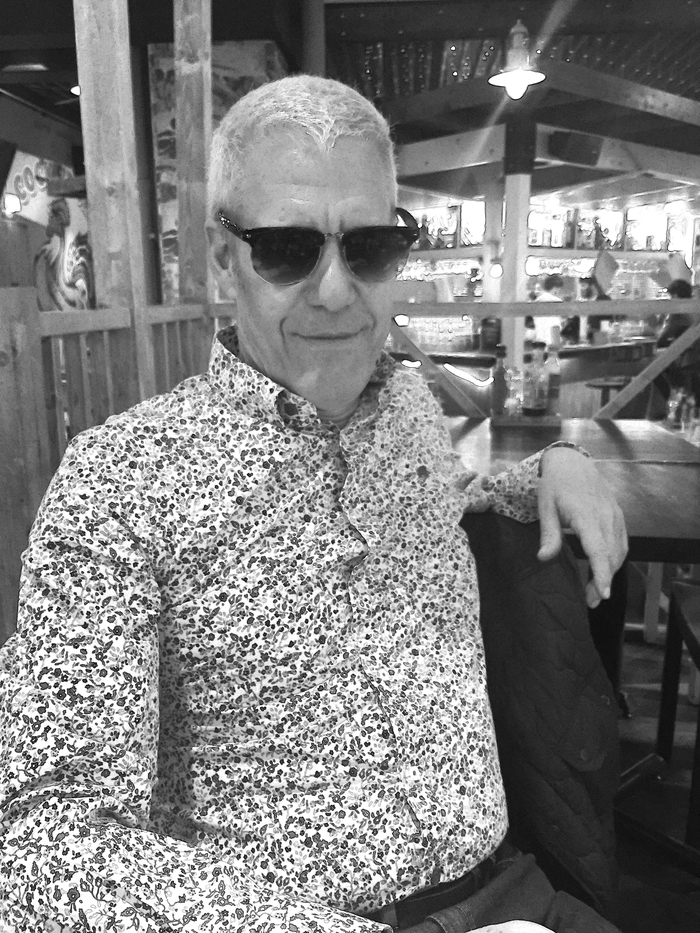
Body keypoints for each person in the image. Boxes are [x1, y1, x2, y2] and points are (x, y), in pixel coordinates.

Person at [0, 75, 628, 932]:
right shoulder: (120, 481)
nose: (335, 290)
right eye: (287, 249)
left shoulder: (407, 412)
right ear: (222, 258)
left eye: (370, 247)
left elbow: (455, 500)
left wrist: (558, 462)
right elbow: (41, 844)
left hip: (517, 890)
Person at [532, 274, 564, 344]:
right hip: (551, 340)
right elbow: (555, 325)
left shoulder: (537, 301)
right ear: (556, 288)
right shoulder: (556, 301)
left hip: (539, 340)